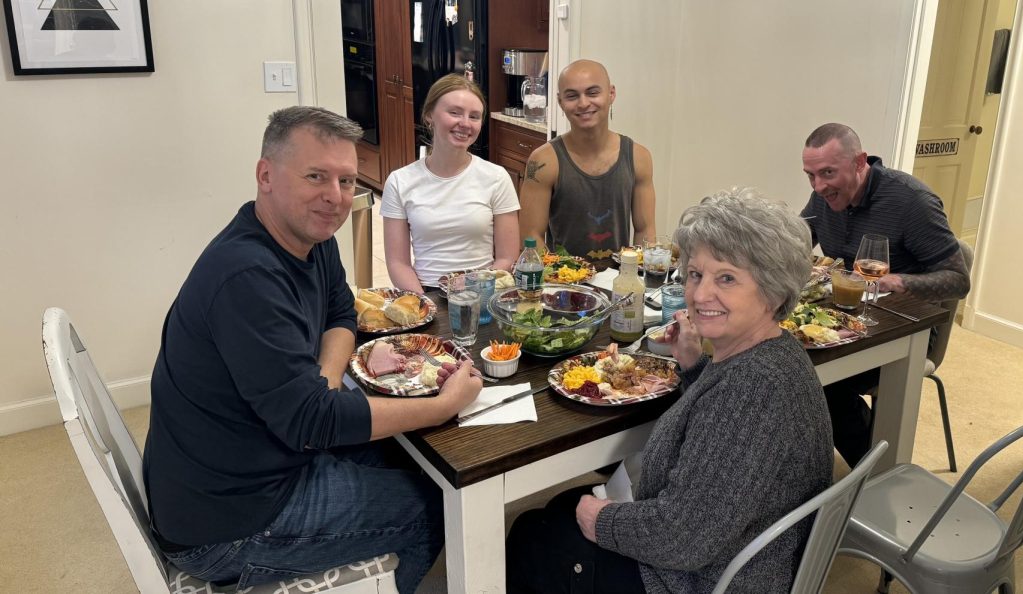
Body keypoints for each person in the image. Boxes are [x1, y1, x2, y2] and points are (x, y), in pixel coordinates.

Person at [143, 106, 482, 592]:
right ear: (266, 175)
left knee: (409, 457)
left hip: (254, 459)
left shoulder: (308, 236)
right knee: (435, 499)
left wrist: (322, 383)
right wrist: (440, 406)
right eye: (316, 177)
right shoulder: (247, 276)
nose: (334, 198)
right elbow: (310, 423)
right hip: (227, 522)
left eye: (346, 181)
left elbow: (341, 314)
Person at [506, 188, 833, 593]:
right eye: (695, 274)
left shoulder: (755, 389)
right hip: (738, 551)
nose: (699, 294)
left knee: (531, 535)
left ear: (775, 290)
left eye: (726, 278)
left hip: (702, 579)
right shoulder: (774, 355)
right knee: (558, 510)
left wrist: (601, 520)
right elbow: (727, 432)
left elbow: (684, 539)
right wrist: (694, 366)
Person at [800, 122, 970, 466]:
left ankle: (879, 472)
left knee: (814, 380)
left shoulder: (912, 202)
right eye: (811, 176)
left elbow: (958, 280)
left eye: (828, 173)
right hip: (848, 313)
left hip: (908, 327)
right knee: (780, 361)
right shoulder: (824, 193)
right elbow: (798, 239)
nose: (819, 186)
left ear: (860, 161)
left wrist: (896, 281)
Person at [382, 74, 520, 293]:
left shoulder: (496, 177)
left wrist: (476, 291)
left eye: (474, 116)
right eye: (454, 113)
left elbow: (507, 257)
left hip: (483, 291)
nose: (465, 123)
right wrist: (425, 304)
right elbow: (397, 263)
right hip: (425, 292)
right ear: (429, 115)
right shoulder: (400, 181)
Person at [518, 59, 656, 257]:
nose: (583, 103)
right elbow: (530, 237)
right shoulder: (542, 161)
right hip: (562, 281)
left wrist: (635, 275)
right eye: (572, 96)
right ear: (560, 102)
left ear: (611, 94)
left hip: (619, 280)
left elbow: (645, 231)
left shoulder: (638, 157)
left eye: (593, 93)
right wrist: (560, 275)